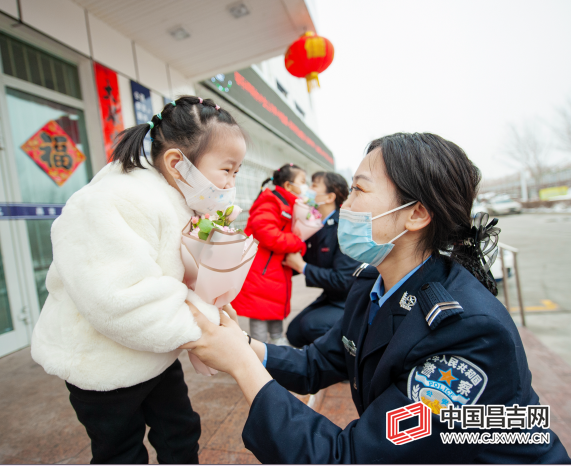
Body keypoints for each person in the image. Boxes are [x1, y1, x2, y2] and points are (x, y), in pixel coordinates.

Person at [185, 132, 570, 464]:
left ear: (416, 214)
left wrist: (240, 364)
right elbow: (317, 362)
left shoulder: (468, 333)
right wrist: (244, 344)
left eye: (358, 190)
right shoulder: (374, 282)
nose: (344, 206)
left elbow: (350, 458)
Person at [31, 96, 246, 464]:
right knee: (120, 450)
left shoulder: (176, 199)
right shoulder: (110, 202)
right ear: (178, 163)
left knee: (180, 430)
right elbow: (120, 300)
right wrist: (204, 328)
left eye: (237, 172)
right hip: (101, 366)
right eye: (227, 170)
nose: (231, 182)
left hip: (152, 353)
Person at [284, 171, 361, 347]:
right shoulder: (317, 224)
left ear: (329, 197)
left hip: (348, 300)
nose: (307, 190)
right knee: (294, 333)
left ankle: (351, 353)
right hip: (331, 296)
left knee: (310, 326)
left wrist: (302, 267)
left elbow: (343, 279)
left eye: (313, 185)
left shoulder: (343, 228)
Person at [232, 163, 307, 344]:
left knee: (274, 310)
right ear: (288, 185)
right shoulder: (270, 201)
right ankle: (259, 354)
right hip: (261, 272)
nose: (306, 186)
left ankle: (277, 346)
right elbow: (267, 233)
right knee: (259, 314)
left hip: (272, 272)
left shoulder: (288, 204)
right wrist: (297, 242)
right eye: (303, 182)